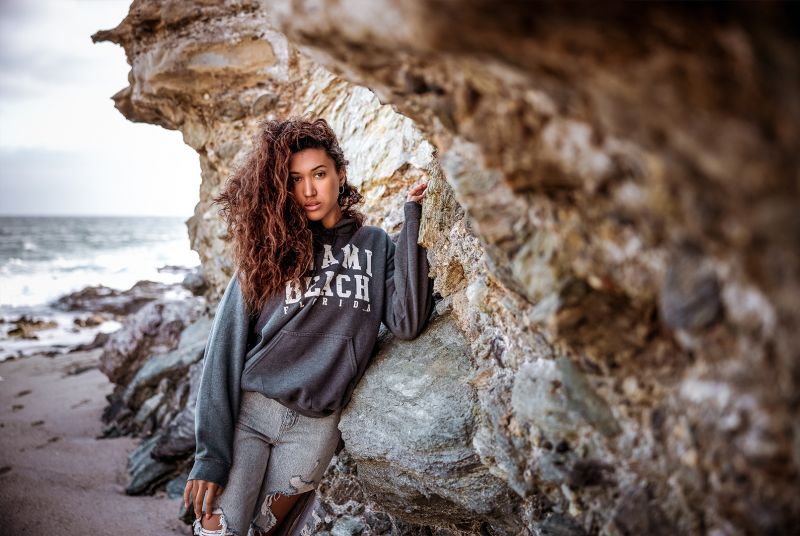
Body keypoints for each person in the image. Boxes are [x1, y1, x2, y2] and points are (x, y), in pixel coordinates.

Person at [182, 116, 434, 536]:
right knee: (219, 530)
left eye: (319, 174)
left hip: (315, 430)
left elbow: (407, 321)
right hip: (252, 414)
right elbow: (223, 350)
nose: (310, 190)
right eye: (296, 180)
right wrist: (210, 455)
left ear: (339, 173)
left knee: (266, 531)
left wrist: (414, 219)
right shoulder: (269, 250)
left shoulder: (374, 245)